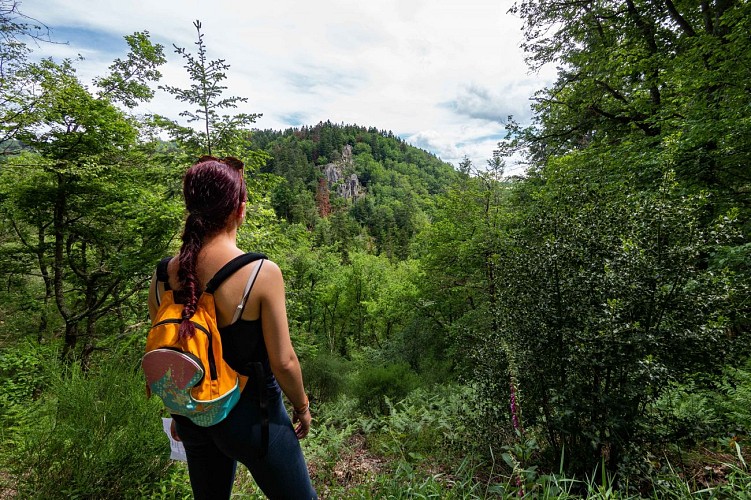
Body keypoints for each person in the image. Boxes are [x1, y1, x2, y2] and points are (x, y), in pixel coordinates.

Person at [148, 156, 317, 499]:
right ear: (239, 209)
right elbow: (284, 361)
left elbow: (170, 353)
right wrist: (302, 407)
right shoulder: (260, 273)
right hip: (252, 419)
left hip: (192, 414)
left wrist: (177, 411)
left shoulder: (163, 275)